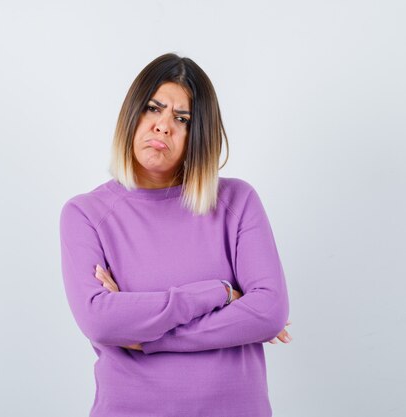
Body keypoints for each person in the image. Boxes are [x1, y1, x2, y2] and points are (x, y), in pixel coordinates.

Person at [59, 52, 292, 417]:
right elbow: (100, 321)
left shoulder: (237, 201)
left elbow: (269, 312)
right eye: (153, 109)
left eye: (181, 118)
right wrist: (221, 293)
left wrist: (148, 337)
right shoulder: (85, 214)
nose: (163, 126)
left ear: (197, 134)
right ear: (131, 116)